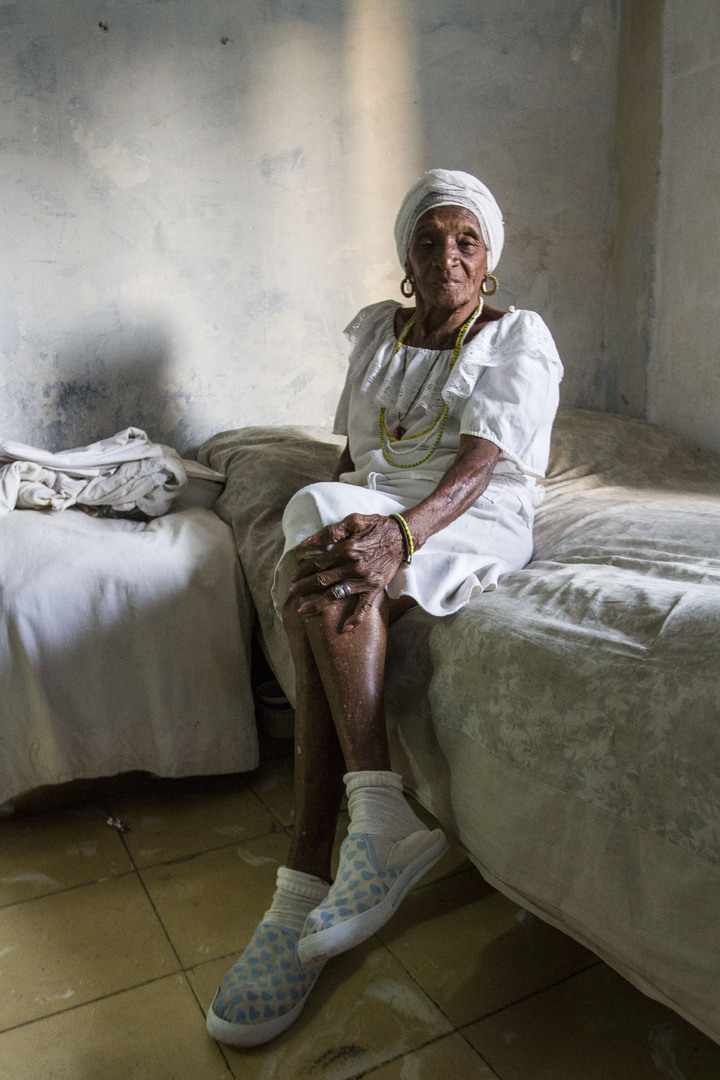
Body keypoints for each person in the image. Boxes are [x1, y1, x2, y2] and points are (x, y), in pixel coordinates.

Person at [206, 168, 563, 1048]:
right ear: (406, 258)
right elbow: (350, 458)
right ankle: (372, 825)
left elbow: (481, 464)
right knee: (316, 547)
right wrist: (346, 520)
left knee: (322, 570)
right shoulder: (377, 331)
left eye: (466, 240)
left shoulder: (518, 335)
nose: (448, 254)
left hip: (469, 514)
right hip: (377, 503)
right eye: (430, 240)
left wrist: (402, 532)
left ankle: (305, 878)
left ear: (488, 264)